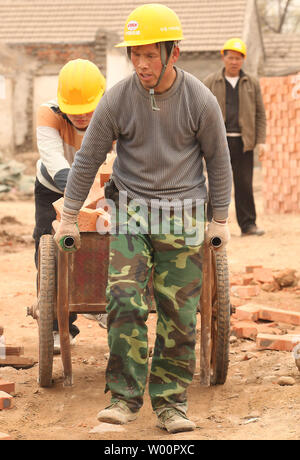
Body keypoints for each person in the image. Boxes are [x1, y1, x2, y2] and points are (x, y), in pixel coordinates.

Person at [54, 4, 232, 434]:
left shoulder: (199, 100)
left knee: (179, 313)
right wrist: (70, 215)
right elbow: (88, 159)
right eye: (135, 54)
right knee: (125, 300)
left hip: (185, 215)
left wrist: (220, 220)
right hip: (132, 213)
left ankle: (170, 404)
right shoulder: (118, 98)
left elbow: (219, 161)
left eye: (150, 54)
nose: (141, 63)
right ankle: (124, 399)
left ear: (174, 53)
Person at [33, 58, 107, 353]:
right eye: (74, 111)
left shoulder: (113, 115)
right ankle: (56, 325)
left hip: (101, 188)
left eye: (87, 109)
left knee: (106, 243)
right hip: (54, 188)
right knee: (49, 249)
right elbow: (56, 163)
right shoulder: (48, 113)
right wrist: (77, 204)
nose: (81, 116)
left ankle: (102, 303)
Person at [203, 38, 267, 236]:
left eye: (238, 58)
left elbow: (260, 114)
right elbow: (200, 111)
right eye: (231, 58)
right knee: (216, 183)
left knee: (244, 184)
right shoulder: (211, 82)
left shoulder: (251, 83)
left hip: (243, 142)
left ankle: (248, 225)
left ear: (243, 60)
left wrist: (261, 141)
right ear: (224, 58)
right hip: (218, 142)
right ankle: (211, 225)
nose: (234, 62)